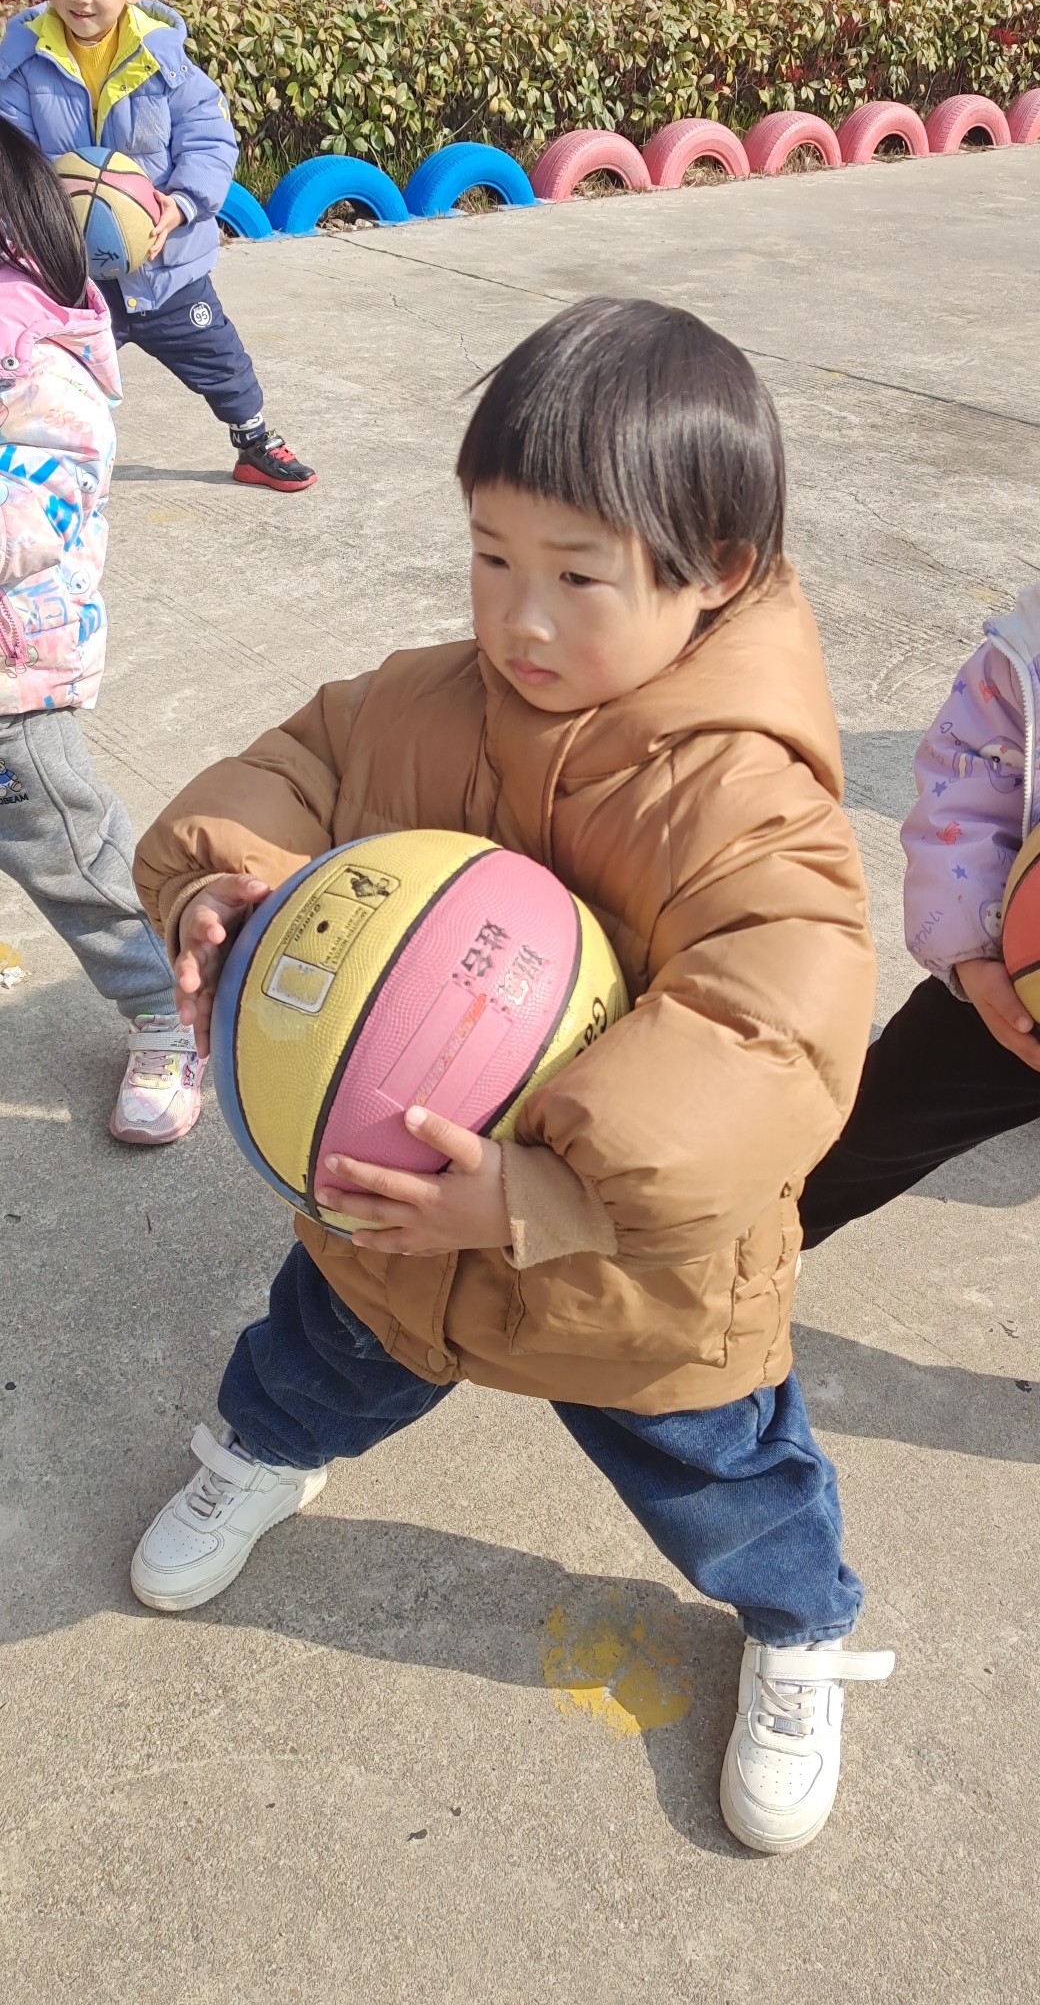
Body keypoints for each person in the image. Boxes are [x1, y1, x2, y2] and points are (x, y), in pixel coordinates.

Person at [129, 299, 893, 1854]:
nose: (520, 620)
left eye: (576, 576)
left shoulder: (745, 799)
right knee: (312, 1360)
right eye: (491, 557)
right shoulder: (417, 702)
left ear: (713, 573)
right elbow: (293, 766)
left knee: (720, 1472)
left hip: (632, 1280)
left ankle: (799, 1629)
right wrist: (224, 879)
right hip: (391, 1228)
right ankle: (259, 1462)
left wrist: (544, 1191)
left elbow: (770, 1032)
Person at [0, 114, 204, 1142]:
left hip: (11, 685)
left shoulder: (43, 370)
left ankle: (167, 1011)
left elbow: (34, 516)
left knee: (70, 856)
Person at [0, 0, 314, 495]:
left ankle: (254, 442)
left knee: (220, 358)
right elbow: (13, 161)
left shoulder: (165, 65)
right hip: (73, 273)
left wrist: (184, 204)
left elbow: (211, 140)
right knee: (44, 369)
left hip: (165, 265)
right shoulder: (25, 67)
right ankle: (37, 458)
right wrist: (36, 224)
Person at [800, 587, 1040, 1246]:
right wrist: (972, 949)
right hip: (1016, 981)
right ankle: (741, 1244)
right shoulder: (1028, 657)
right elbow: (971, 774)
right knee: (868, 1133)